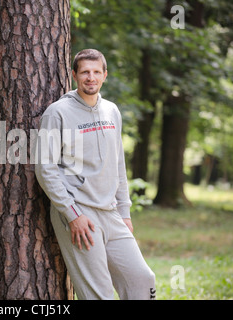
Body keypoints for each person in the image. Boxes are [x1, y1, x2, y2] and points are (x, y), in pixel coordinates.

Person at [34, 49, 156, 300]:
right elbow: (45, 168)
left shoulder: (112, 111)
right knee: (98, 295)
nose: (91, 77)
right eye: (85, 72)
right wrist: (72, 215)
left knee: (143, 280)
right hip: (79, 214)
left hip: (111, 212)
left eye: (96, 72)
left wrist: (124, 211)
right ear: (74, 75)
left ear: (105, 75)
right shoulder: (57, 113)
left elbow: (118, 163)